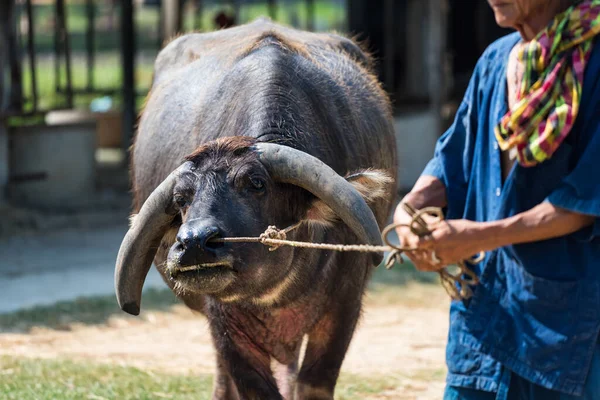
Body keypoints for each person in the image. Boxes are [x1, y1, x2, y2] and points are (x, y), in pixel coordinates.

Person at [394, 0, 600, 399]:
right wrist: (406, 215)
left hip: (562, 330)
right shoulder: (494, 60)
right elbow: (451, 163)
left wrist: (477, 237)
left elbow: (583, 201)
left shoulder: (594, 63)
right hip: (481, 322)